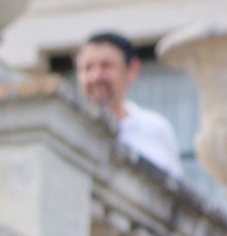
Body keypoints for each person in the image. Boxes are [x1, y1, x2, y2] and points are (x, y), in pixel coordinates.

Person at [74, 31, 184, 179]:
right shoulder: (66, 126)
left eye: (106, 66)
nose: (96, 77)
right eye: (87, 68)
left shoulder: (156, 130)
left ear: (131, 70)